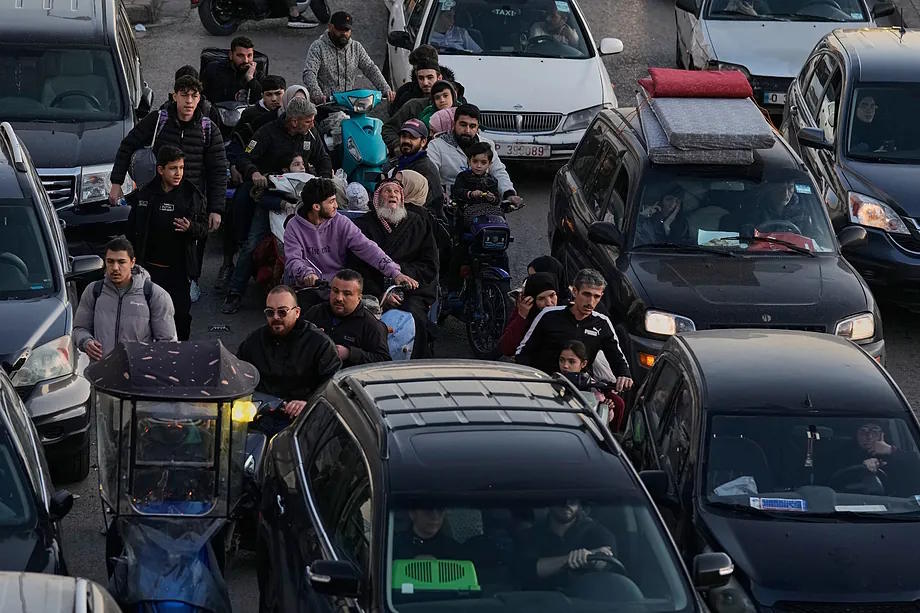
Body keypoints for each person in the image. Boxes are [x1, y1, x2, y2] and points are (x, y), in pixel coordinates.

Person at [223, 97, 332, 313]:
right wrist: (254, 172)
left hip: (302, 201)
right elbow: (245, 157)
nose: (312, 124)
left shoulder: (311, 134)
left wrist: (326, 180)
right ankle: (235, 292)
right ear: (294, 121)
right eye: (308, 121)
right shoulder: (267, 133)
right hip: (270, 199)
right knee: (252, 244)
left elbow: (323, 158)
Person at [111, 75, 226, 233]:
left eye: (194, 96)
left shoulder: (209, 130)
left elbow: (218, 171)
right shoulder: (157, 120)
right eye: (184, 95)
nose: (189, 101)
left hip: (191, 206)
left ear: (199, 98)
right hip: (156, 202)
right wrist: (116, 183)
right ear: (175, 96)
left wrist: (216, 209)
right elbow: (127, 146)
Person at [124, 146, 207, 341]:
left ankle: (181, 352)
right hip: (150, 270)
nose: (178, 173)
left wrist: (191, 227)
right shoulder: (145, 194)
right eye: (173, 168)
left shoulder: (191, 195)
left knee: (180, 316)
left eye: (181, 168)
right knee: (146, 316)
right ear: (161, 170)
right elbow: (131, 231)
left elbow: (204, 230)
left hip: (179, 271)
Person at [348, 180, 439, 358]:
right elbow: (355, 267)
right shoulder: (362, 226)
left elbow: (429, 265)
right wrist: (382, 293)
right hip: (371, 290)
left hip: (410, 292)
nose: (393, 195)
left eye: (397, 192)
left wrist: (401, 276)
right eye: (387, 191)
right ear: (377, 198)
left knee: (413, 317)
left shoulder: (418, 223)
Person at [284, 177, 419, 289]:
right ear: (316, 207)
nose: (336, 206)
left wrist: (394, 272)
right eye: (331, 202)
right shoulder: (294, 226)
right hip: (308, 287)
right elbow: (293, 260)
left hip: (338, 286)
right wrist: (307, 274)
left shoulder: (341, 221)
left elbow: (367, 247)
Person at [515, 268, 632, 392]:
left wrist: (624, 375)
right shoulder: (548, 315)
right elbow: (523, 352)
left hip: (579, 391)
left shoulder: (602, 323)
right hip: (543, 385)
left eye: (596, 296)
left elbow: (617, 357)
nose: (591, 302)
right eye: (586, 294)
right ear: (575, 291)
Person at [237, 285, 341, 419]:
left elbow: (333, 383)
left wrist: (309, 402)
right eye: (270, 312)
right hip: (259, 412)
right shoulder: (254, 340)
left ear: (297, 312)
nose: (276, 317)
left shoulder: (320, 343)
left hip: (302, 417)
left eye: (282, 312)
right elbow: (237, 372)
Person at [73, 238, 177, 360]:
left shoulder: (156, 295)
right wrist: (86, 341)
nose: (115, 267)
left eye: (121, 262)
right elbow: (79, 329)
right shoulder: (93, 291)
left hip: (137, 369)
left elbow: (167, 342)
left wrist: (149, 362)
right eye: (110, 261)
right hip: (101, 367)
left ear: (132, 262)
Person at [427, 104, 522, 207]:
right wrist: (439, 193)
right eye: (463, 125)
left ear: (477, 127)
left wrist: (509, 194)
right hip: (448, 204)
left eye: (472, 126)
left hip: (482, 204)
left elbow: (498, 171)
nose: (467, 130)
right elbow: (430, 174)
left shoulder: (487, 145)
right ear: (454, 124)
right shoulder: (437, 145)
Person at [303, 269, 391, 366]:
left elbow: (384, 361)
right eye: (335, 291)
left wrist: (349, 353)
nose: (339, 298)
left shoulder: (371, 325)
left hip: (348, 374)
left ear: (359, 297)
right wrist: (309, 337)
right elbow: (294, 339)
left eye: (347, 294)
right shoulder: (316, 312)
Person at [302, 11, 394, 104]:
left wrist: (385, 89)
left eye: (347, 30)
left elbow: (370, 68)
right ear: (330, 27)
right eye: (340, 29)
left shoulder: (356, 47)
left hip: (349, 104)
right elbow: (309, 73)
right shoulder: (318, 47)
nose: (344, 33)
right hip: (325, 104)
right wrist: (317, 94)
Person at [523, 499, 617, 588]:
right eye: (560, 498)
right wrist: (570, 559)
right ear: (549, 500)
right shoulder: (531, 536)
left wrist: (594, 559)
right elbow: (526, 569)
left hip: (587, 598)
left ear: (579, 502)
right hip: (539, 598)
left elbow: (608, 563)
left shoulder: (599, 533)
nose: (567, 503)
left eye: (572, 499)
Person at [382, 119, 445, 216]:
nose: (406, 141)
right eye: (404, 136)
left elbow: (431, 207)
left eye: (412, 137)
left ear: (423, 142)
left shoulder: (425, 168)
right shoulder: (401, 163)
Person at [384, 80, 459, 152]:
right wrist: (398, 146)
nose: (442, 100)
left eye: (445, 96)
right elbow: (389, 128)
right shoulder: (424, 116)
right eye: (437, 97)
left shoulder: (462, 113)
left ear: (453, 95)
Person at [499, 273, 558, 357]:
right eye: (541, 298)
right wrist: (521, 316)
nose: (549, 303)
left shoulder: (566, 311)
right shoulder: (525, 312)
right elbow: (507, 349)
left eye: (552, 295)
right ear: (531, 301)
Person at [391, 45, 459, 113]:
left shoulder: (455, 92)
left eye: (430, 77)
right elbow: (395, 115)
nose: (425, 82)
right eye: (416, 68)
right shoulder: (406, 92)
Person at [451, 141, 503, 228]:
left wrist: (492, 198)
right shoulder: (463, 176)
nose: (479, 166)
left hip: (487, 211)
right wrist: (470, 194)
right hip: (466, 210)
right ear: (469, 161)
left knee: (500, 218)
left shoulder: (492, 180)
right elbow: (456, 192)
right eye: (475, 161)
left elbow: (497, 200)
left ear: (489, 164)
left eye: (483, 162)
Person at [201, 36, 264, 105]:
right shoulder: (214, 69)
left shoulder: (257, 74)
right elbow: (201, 95)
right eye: (240, 55)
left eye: (249, 56)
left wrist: (251, 79)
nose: (246, 60)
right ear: (231, 55)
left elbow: (262, 100)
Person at [234, 75, 287, 146]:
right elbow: (239, 140)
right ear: (262, 95)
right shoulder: (250, 114)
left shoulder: (291, 113)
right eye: (269, 95)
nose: (274, 99)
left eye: (278, 94)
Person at [393, 507, 462, 559]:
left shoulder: (454, 550)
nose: (435, 517)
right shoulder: (393, 546)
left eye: (440, 510)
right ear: (412, 513)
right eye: (428, 510)